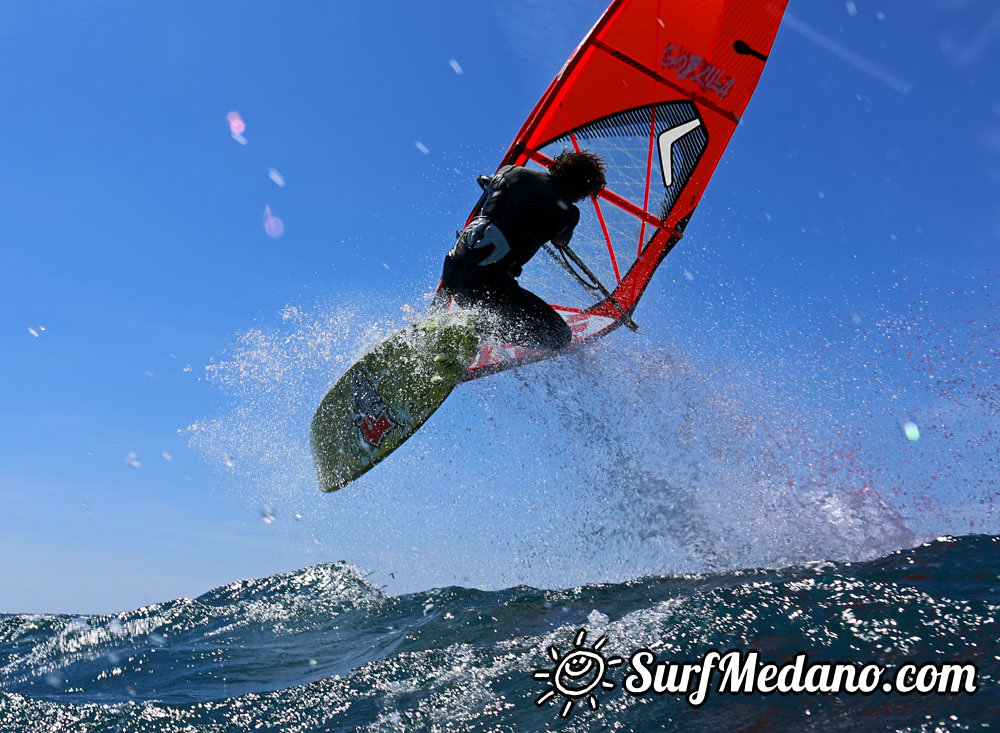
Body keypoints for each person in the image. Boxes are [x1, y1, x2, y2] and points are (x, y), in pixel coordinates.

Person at [432, 150, 607, 351]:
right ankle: (467, 332)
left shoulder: (510, 171)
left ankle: (463, 327)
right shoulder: (568, 212)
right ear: (581, 189)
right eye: (584, 195)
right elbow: (561, 242)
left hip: (452, 269)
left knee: (485, 301)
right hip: (487, 286)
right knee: (559, 336)